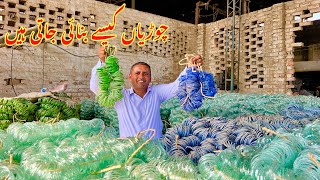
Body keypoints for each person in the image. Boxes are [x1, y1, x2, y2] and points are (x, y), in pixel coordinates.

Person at [90, 46, 203, 139]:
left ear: (150, 78)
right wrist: (103, 62)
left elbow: (176, 87)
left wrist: (190, 67)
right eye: (137, 73)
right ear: (129, 77)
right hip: (129, 153)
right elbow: (96, 87)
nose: (141, 77)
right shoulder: (121, 97)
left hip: (155, 152)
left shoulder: (156, 93)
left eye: (145, 74)